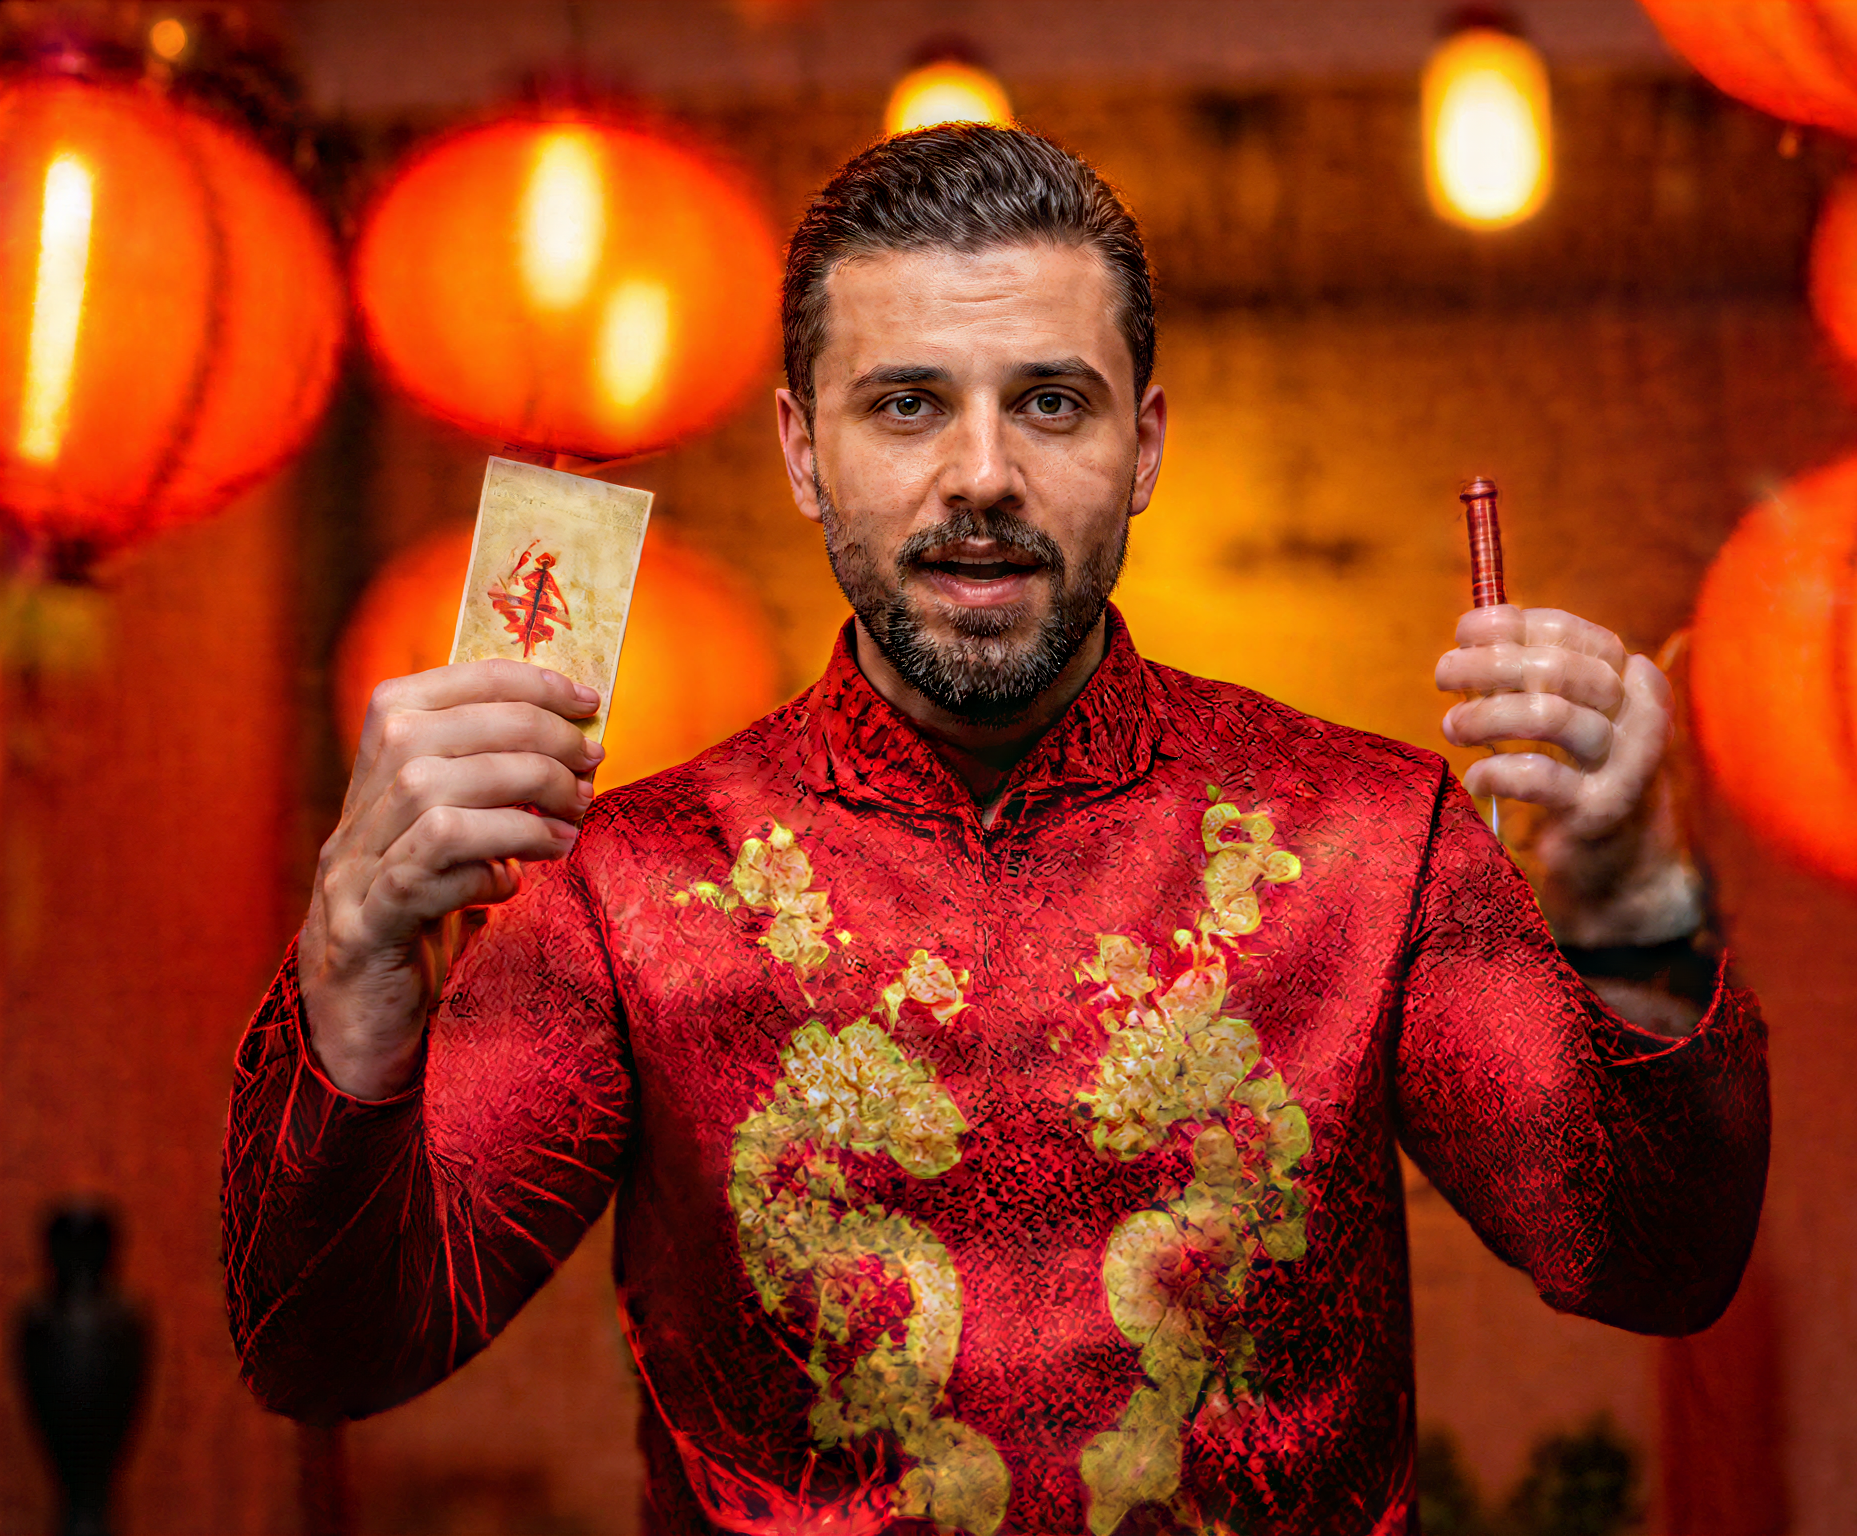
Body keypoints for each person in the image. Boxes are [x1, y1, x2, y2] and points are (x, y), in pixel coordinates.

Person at [224, 125, 1766, 1536]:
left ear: (1143, 447)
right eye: (907, 404)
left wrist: (1636, 899)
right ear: (801, 448)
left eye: (1049, 401)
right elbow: (331, 1349)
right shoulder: (633, 889)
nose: (981, 475)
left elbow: (1652, 1261)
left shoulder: (1368, 844)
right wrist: (354, 953)